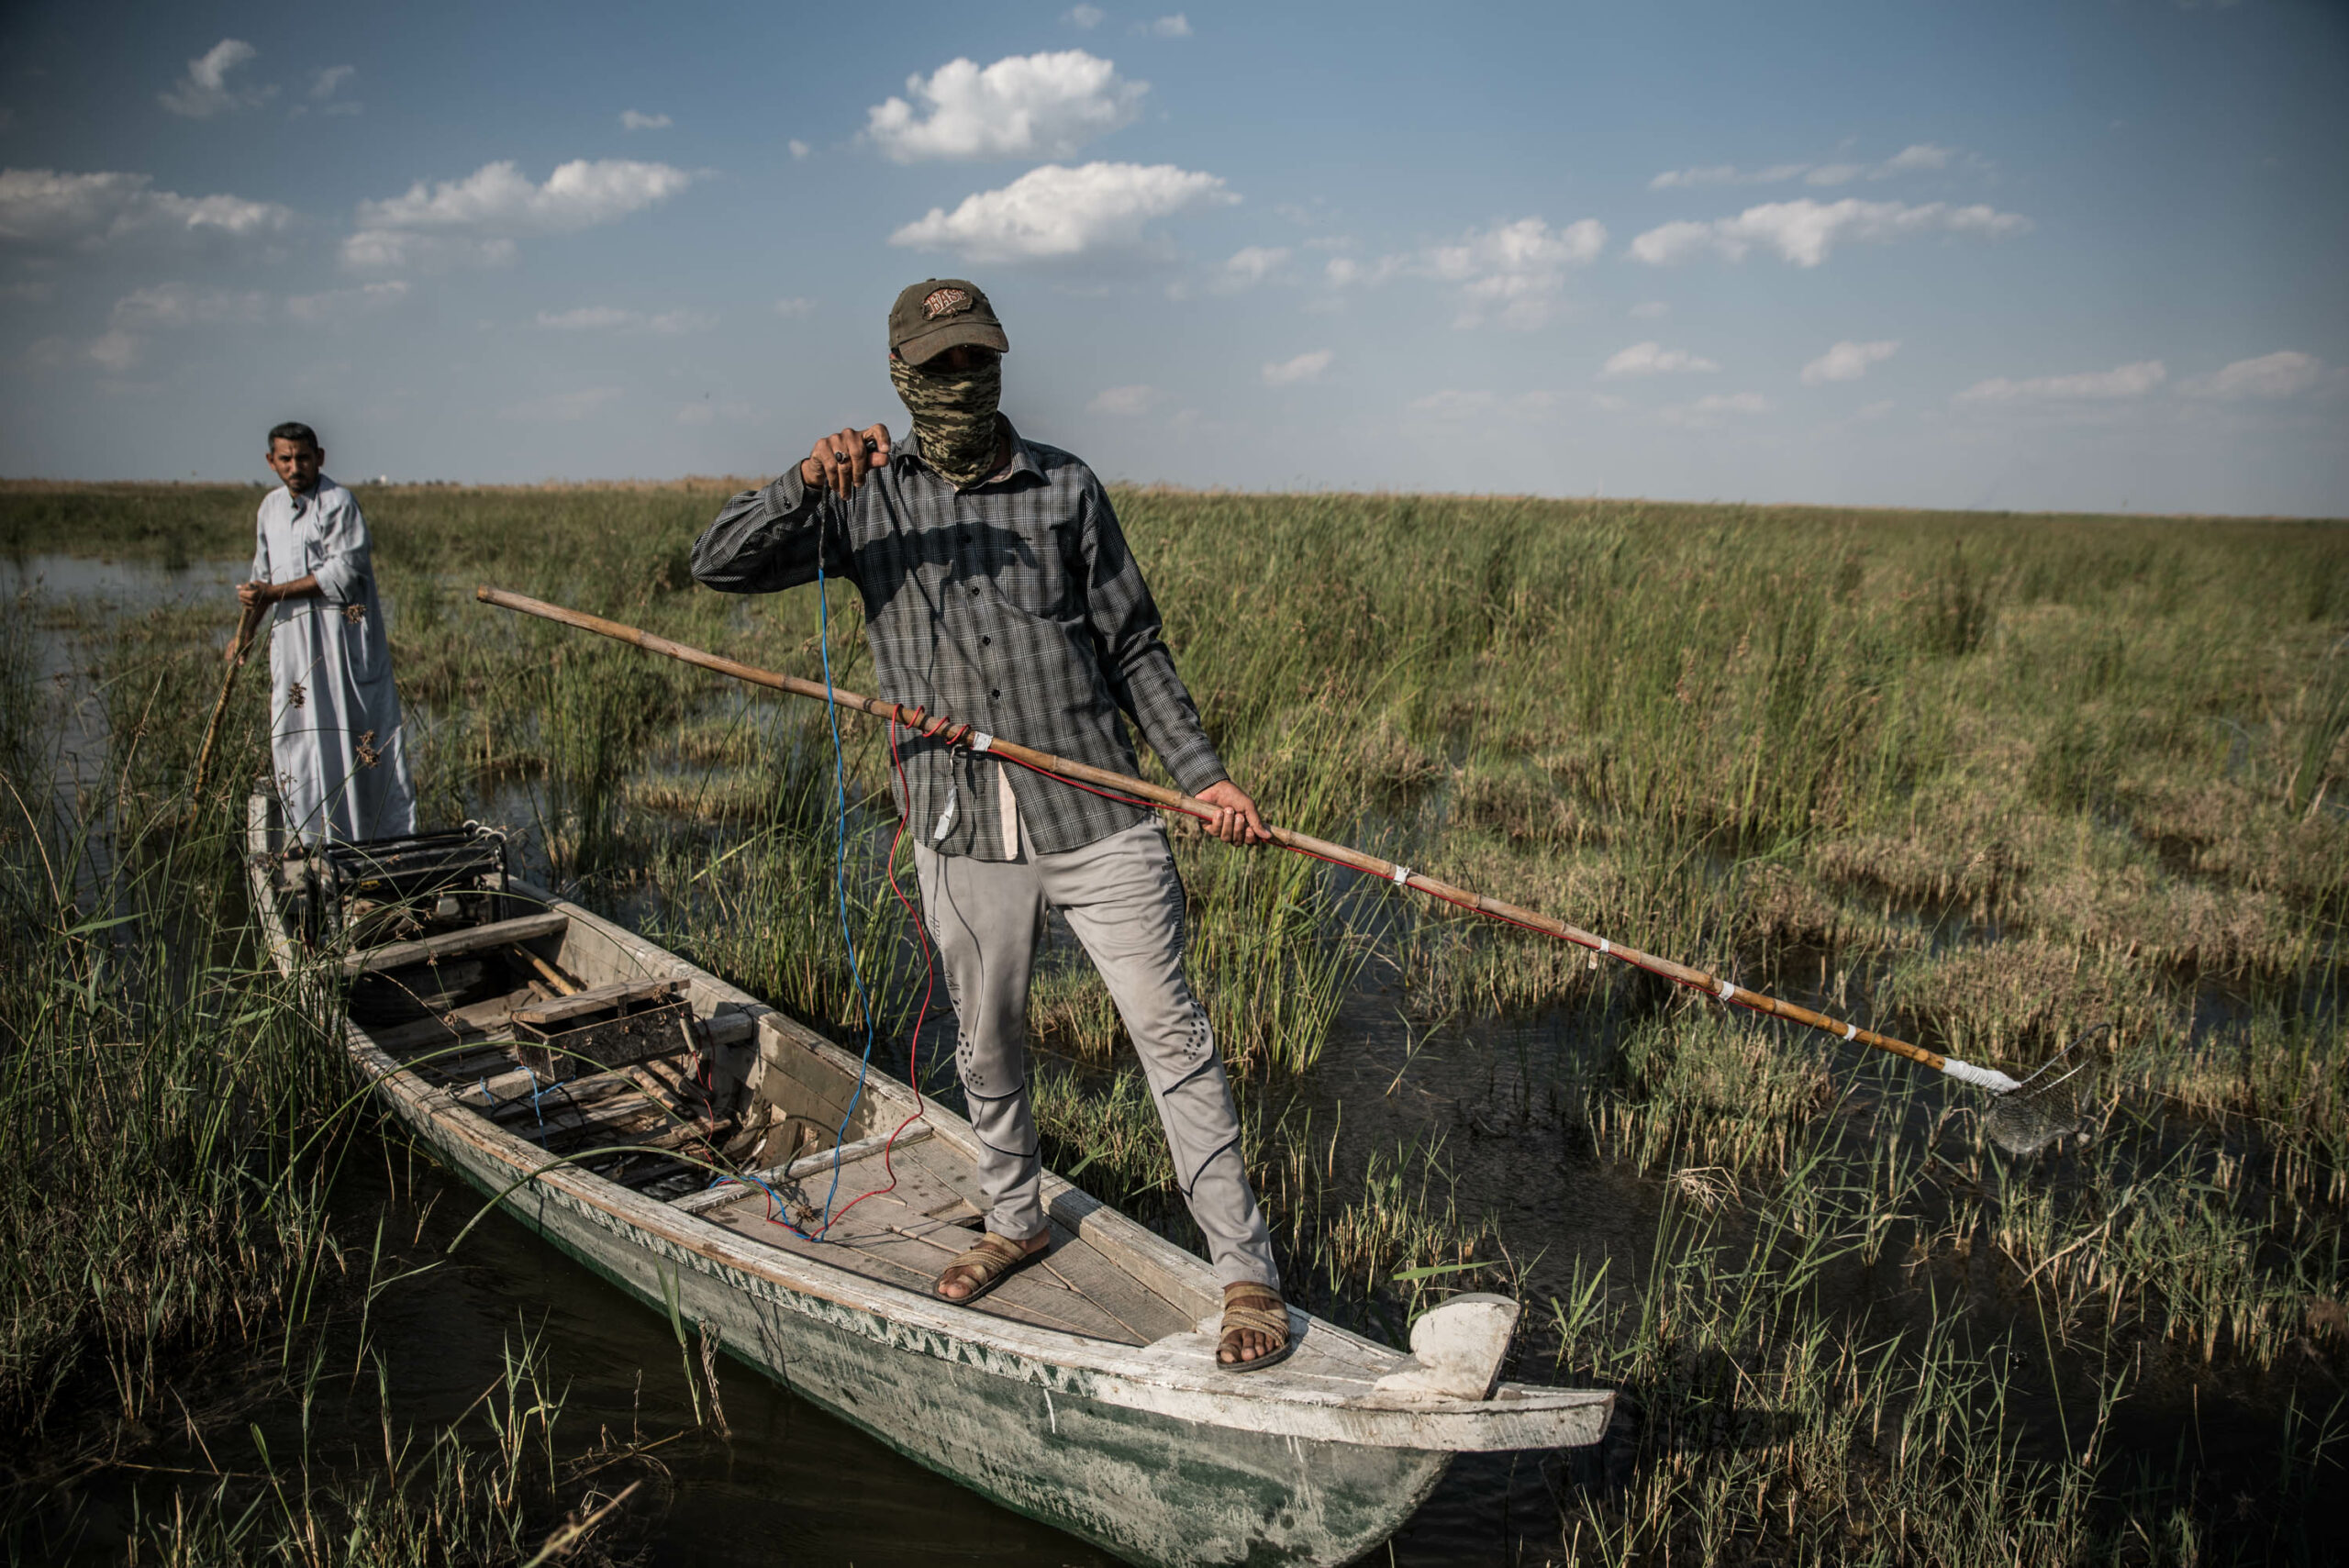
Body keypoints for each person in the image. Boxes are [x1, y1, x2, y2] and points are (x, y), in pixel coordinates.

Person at [691, 280, 1295, 1369]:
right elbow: (717, 563)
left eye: (977, 359)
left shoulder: (1063, 486)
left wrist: (1203, 777)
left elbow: (1135, 646)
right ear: (900, 374)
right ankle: (1013, 1217)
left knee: (1172, 1036)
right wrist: (800, 479)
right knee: (988, 1039)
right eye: (940, 364)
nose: (962, 380)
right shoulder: (860, 498)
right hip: (958, 819)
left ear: (999, 363)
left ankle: (1244, 1269)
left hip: (1099, 803)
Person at [236, 421, 415, 846]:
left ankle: (375, 844)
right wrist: (243, 635)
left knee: (354, 738)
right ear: (271, 462)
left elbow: (344, 573)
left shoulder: (339, 503)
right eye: (286, 458)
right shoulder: (269, 509)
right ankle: (312, 841)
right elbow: (259, 581)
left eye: (303, 457)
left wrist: (274, 592)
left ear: (320, 457)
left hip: (341, 647)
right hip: (294, 647)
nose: (295, 466)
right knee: (297, 738)